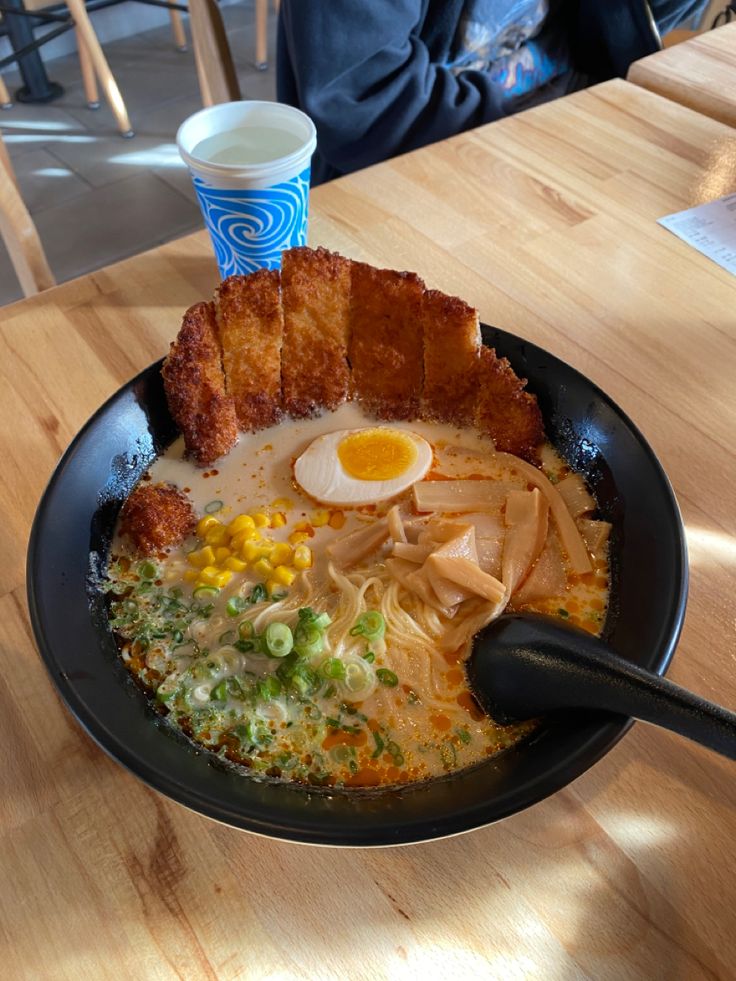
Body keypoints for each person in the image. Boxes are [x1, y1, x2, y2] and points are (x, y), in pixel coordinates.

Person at [277, 0, 708, 185]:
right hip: (402, 173)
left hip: (572, 133)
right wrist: (558, 141)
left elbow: (642, 19)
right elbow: (368, 105)